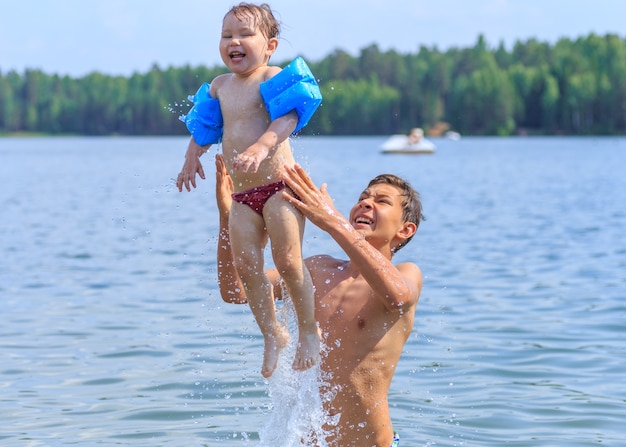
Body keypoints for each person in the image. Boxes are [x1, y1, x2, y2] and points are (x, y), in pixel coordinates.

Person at [215, 154, 423, 446]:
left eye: (382, 201)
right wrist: (228, 219)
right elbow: (235, 291)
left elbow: (398, 297)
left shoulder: (406, 274)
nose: (366, 202)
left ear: (405, 230)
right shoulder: (316, 269)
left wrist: (332, 220)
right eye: (363, 197)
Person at [175, 3, 322, 378]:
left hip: (279, 188)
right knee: (247, 268)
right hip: (243, 197)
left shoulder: (271, 77)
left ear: (270, 45)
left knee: (288, 262)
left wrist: (261, 146)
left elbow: (289, 117)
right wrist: (192, 158)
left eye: (244, 35)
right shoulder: (219, 86)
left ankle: (308, 331)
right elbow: (204, 128)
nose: (234, 42)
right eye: (227, 36)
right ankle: (273, 333)